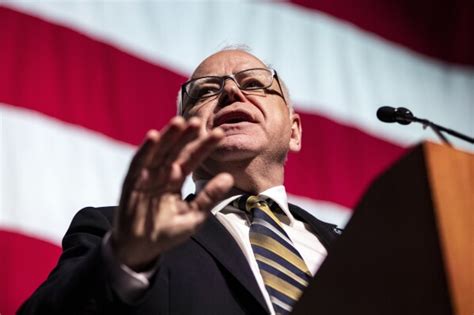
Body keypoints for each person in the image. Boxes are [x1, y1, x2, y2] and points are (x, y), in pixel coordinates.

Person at [19, 48, 340, 314]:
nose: (231, 91)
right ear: (185, 133)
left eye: (254, 83)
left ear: (294, 132)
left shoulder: (350, 247)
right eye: (206, 91)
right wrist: (123, 260)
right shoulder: (118, 232)